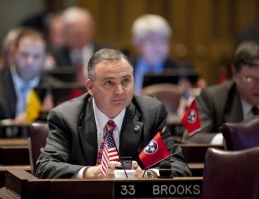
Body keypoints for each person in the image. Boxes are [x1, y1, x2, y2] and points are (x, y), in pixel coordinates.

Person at [36, 48, 191, 179]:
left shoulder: (151, 113)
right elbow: (46, 167)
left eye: (125, 81)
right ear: (90, 87)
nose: (120, 91)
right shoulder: (66, 117)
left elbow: (180, 168)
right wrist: (90, 173)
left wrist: (146, 175)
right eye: (109, 83)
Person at [0, 28, 63, 123]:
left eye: (36, 56)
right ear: (14, 53)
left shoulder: (57, 90)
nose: (29, 62)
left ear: (45, 58)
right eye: (24, 54)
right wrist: (11, 125)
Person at [182, 41, 259, 144]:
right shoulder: (210, 98)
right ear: (234, 72)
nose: (257, 86)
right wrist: (231, 139)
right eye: (250, 79)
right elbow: (190, 137)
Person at [131, 14, 200, 93]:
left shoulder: (183, 71)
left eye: (163, 42)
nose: (158, 48)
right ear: (137, 43)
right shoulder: (125, 67)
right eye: (151, 42)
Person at [51, 6, 110, 85]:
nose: (77, 38)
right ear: (64, 32)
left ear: (92, 29)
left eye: (80, 33)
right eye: (72, 34)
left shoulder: (107, 53)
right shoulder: (55, 56)